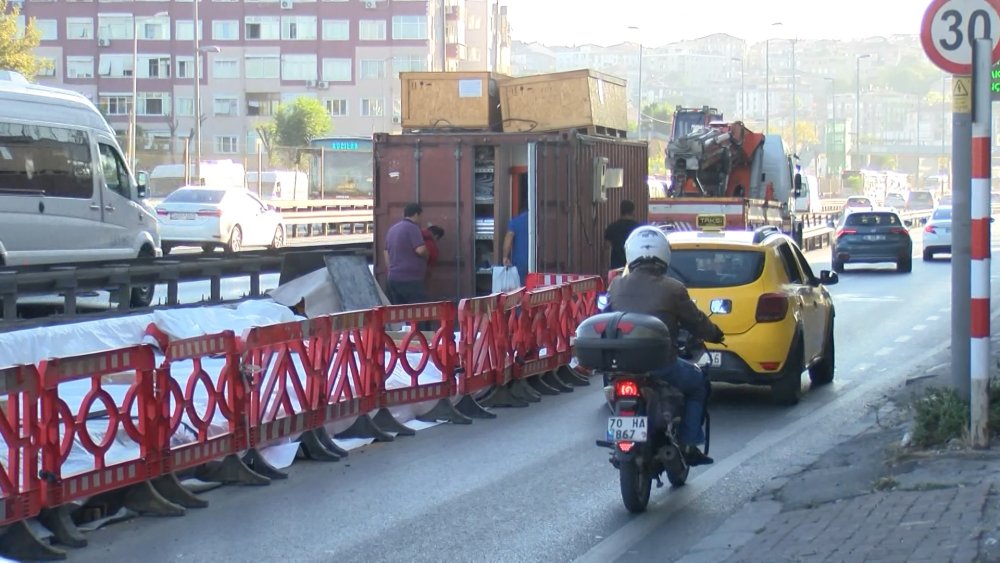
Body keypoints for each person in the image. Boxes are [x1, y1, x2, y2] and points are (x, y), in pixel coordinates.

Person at [606, 226, 725, 467]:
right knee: (698, 384)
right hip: (662, 365)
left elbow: (607, 315)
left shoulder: (616, 285)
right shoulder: (673, 288)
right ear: (663, 255)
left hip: (623, 365)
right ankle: (690, 442)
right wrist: (715, 334)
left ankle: (621, 441)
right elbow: (696, 321)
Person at [384, 203, 429, 305]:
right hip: (410, 280)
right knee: (418, 313)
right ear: (417, 214)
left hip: (393, 279)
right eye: (421, 216)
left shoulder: (393, 229)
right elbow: (420, 250)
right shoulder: (413, 228)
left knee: (398, 314)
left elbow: (386, 251)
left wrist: (391, 269)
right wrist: (427, 256)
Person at [604, 200, 640, 270]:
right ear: (633, 211)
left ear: (621, 211)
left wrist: (605, 268)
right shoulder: (638, 228)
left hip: (617, 267)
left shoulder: (612, 227)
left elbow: (606, 249)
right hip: (634, 267)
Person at [502, 199, 529, 285]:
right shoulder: (536, 221)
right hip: (537, 262)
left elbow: (508, 241)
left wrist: (505, 257)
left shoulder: (515, 222)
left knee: (521, 290)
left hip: (519, 263)